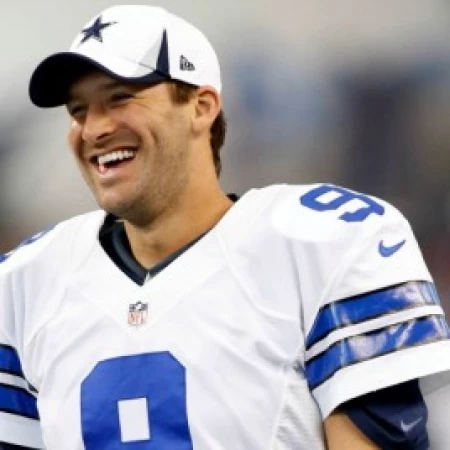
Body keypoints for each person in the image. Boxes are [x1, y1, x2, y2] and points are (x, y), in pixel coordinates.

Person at [0, 4, 449, 449]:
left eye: (120, 99)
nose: (93, 129)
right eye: (79, 110)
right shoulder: (26, 283)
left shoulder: (326, 242)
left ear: (201, 107)